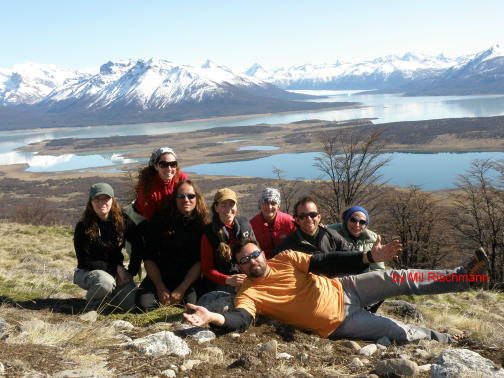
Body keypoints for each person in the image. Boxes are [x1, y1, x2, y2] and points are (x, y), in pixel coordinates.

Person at [184, 239, 489, 344]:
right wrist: (212, 316)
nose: (252, 261)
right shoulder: (248, 294)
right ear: (240, 267)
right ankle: (445, 339)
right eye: (244, 261)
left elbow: (324, 262)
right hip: (338, 323)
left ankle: (463, 278)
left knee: (400, 277)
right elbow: (241, 320)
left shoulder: (286, 258)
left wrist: (369, 258)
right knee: (400, 331)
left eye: (254, 255)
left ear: (262, 254)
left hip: (345, 288)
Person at [138, 180, 209, 309]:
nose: (186, 200)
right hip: (160, 277)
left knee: (190, 306)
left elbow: (200, 262)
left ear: (197, 198)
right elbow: (149, 258)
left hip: (188, 280)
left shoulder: (202, 225)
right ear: (174, 199)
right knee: (144, 306)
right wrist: (160, 288)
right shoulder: (160, 221)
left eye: (191, 196)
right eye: (181, 196)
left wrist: (182, 289)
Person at [73, 183, 139, 313]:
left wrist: (131, 272)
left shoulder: (123, 220)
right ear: (90, 202)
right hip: (88, 271)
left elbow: (138, 245)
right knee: (105, 283)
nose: (101, 202)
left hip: (115, 272)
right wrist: (116, 268)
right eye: (97, 199)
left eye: (106, 198)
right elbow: (85, 260)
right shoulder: (83, 226)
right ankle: (91, 307)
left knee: (129, 305)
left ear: (112, 200)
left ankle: (107, 298)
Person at [200, 188, 255, 293]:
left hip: (246, 276)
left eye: (231, 204)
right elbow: (207, 270)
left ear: (236, 207)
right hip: (220, 283)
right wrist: (228, 280)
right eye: (223, 205)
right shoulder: (209, 233)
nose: (228, 209)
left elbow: (256, 254)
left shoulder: (245, 226)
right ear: (216, 208)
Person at [274, 196, 351, 260]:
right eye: (303, 216)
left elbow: (351, 255)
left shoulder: (332, 236)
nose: (309, 219)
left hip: (333, 277)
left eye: (312, 214)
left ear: (319, 217)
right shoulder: (287, 245)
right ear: (297, 220)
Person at [134, 147, 189, 221]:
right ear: (156, 166)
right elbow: (151, 218)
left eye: (173, 164)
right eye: (164, 164)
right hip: (145, 220)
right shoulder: (147, 188)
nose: (169, 169)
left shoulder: (180, 177)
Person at [329, 206, 385, 271]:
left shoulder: (373, 239)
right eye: (353, 220)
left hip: (363, 278)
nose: (357, 225)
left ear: (366, 225)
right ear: (346, 220)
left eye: (362, 222)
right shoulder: (331, 232)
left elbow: (378, 269)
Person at [249, 187, 296, 259]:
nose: (269, 207)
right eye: (266, 203)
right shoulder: (252, 225)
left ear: (278, 206)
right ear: (260, 205)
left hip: (288, 262)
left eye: (273, 203)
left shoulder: (289, 221)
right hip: (264, 264)